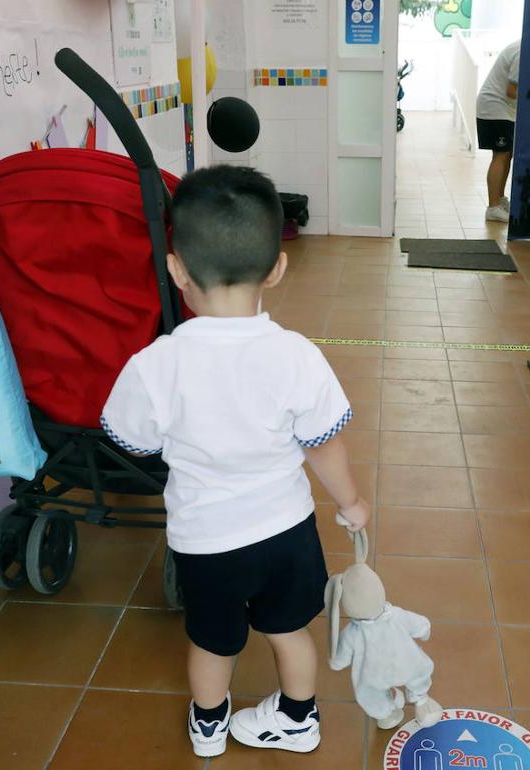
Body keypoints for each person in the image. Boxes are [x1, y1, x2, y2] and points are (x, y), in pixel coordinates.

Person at [101, 165, 372, 758]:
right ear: (276, 268)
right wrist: (350, 502)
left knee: (212, 641)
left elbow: (133, 439)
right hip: (285, 530)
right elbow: (325, 444)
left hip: (205, 540)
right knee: (288, 631)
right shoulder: (297, 357)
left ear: (176, 269)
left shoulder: (155, 365)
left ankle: (208, 726)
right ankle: (298, 719)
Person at [475, 40, 522, 222]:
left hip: (504, 110)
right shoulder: (521, 51)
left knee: (506, 154)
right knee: (501, 156)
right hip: (495, 107)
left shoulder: (522, 46)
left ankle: (500, 201)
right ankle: (493, 207)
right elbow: (512, 91)